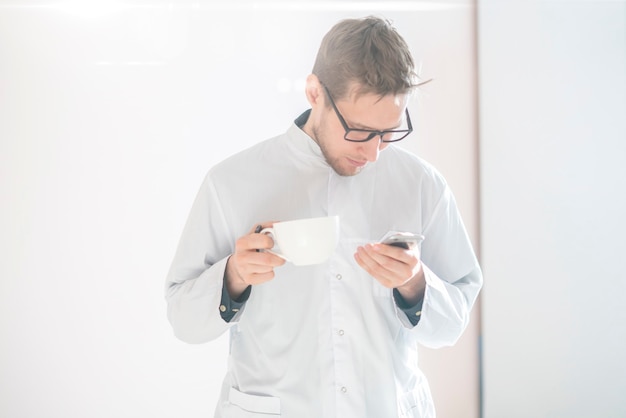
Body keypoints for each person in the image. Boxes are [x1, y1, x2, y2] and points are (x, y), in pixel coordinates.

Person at [165, 16, 482, 418]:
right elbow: (182, 319)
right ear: (314, 92)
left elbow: (455, 319)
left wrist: (416, 284)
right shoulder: (231, 183)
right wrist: (233, 277)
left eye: (388, 133)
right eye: (360, 131)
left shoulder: (421, 184)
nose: (373, 155)